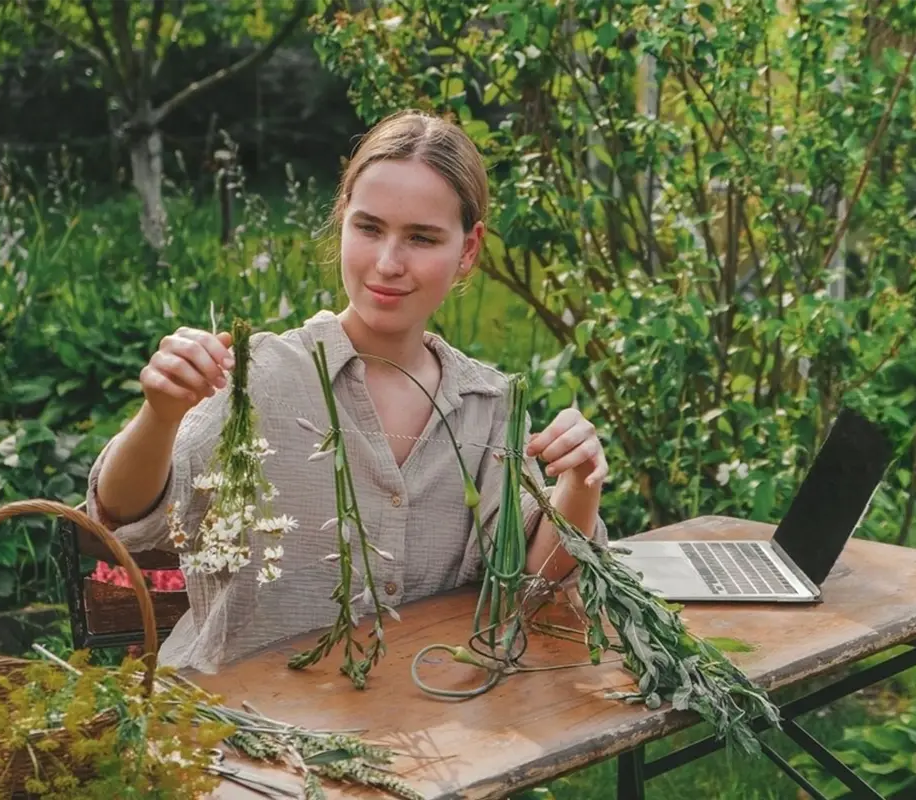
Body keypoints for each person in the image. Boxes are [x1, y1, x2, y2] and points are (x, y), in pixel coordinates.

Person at [88, 110, 610, 673]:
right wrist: (160, 416)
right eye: (369, 228)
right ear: (342, 222)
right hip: (241, 729)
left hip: (428, 729)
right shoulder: (256, 380)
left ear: (468, 248)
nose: (388, 263)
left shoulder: (487, 406)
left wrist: (580, 482)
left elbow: (531, 579)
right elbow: (121, 516)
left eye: (422, 238)